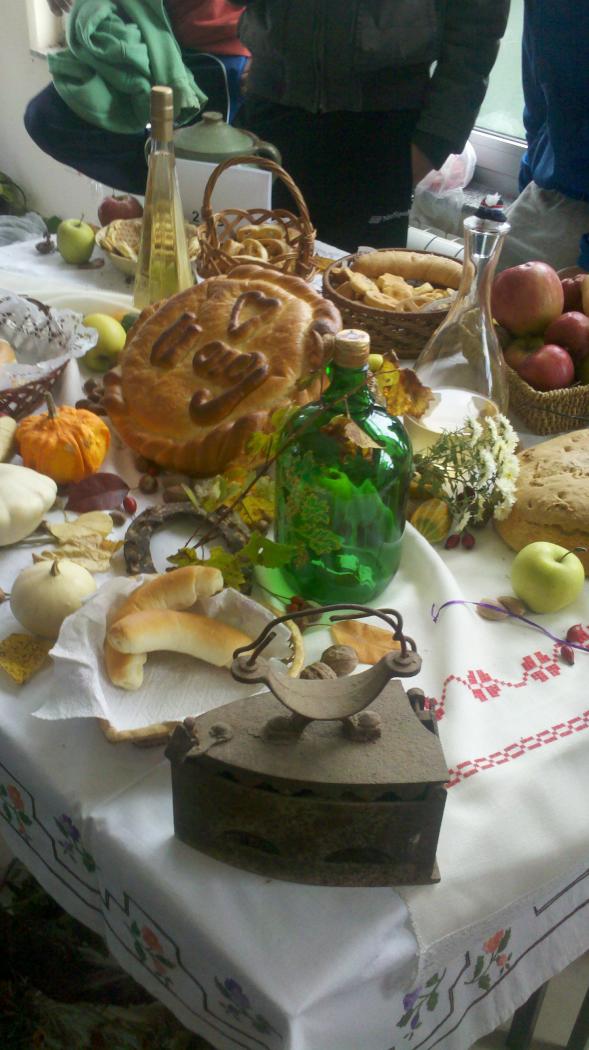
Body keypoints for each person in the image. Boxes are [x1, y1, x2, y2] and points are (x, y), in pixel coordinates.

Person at [232, 0, 510, 252]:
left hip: (382, 131)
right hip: (270, 115)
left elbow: (477, 28)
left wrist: (435, 140)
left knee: (359, 285)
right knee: (246, 274)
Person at [25, 0, 249, 195]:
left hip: (219, 50)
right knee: (47, 118)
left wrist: (267, 51)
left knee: (207, 175)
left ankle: (185, 192)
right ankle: (168, 190)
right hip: (147, 32)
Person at [498, 1, 589, 272]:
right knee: (474, 286)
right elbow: (538, 101)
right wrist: (531, 177)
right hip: (550, 198)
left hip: (577, 206)